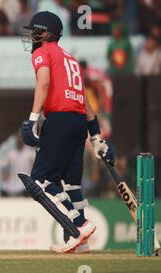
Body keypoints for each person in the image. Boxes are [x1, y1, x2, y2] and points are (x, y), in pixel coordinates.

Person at [19, 11, 114, 253]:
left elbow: (43, 83)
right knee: (71, 183)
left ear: (45, 33)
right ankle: (80, 244)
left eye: (35, 31)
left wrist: (31, 120)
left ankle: (79, 225)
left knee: (40, 181)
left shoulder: (43, 52)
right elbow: (87, 105)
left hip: (60, 119)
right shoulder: (71, 59)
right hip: (79, 121)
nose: (32, 36)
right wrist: (96, 138)